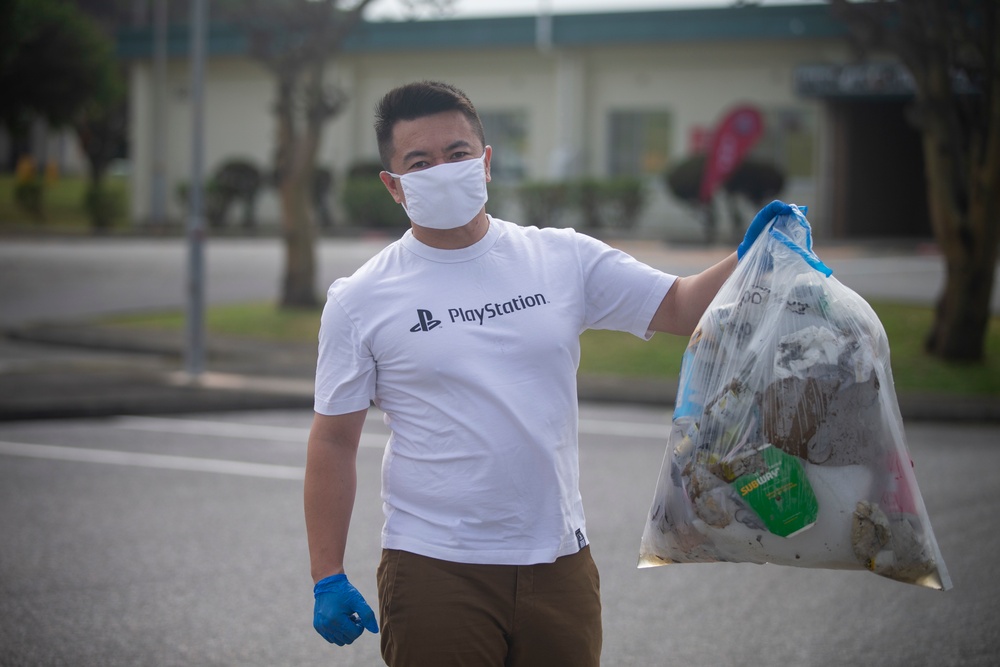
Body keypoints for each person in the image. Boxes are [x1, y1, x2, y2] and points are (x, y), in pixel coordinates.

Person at [304, 79, 791, 666]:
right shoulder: (362, 298)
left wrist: (756, 251)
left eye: (457, 154)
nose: (443, 169)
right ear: (393, 185)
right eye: (419, 162)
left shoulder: (560, 257)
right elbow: (334, 439)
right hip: (436, 568)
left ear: (485, 162)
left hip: (560, 564)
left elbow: (684, 307)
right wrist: (326, 573)